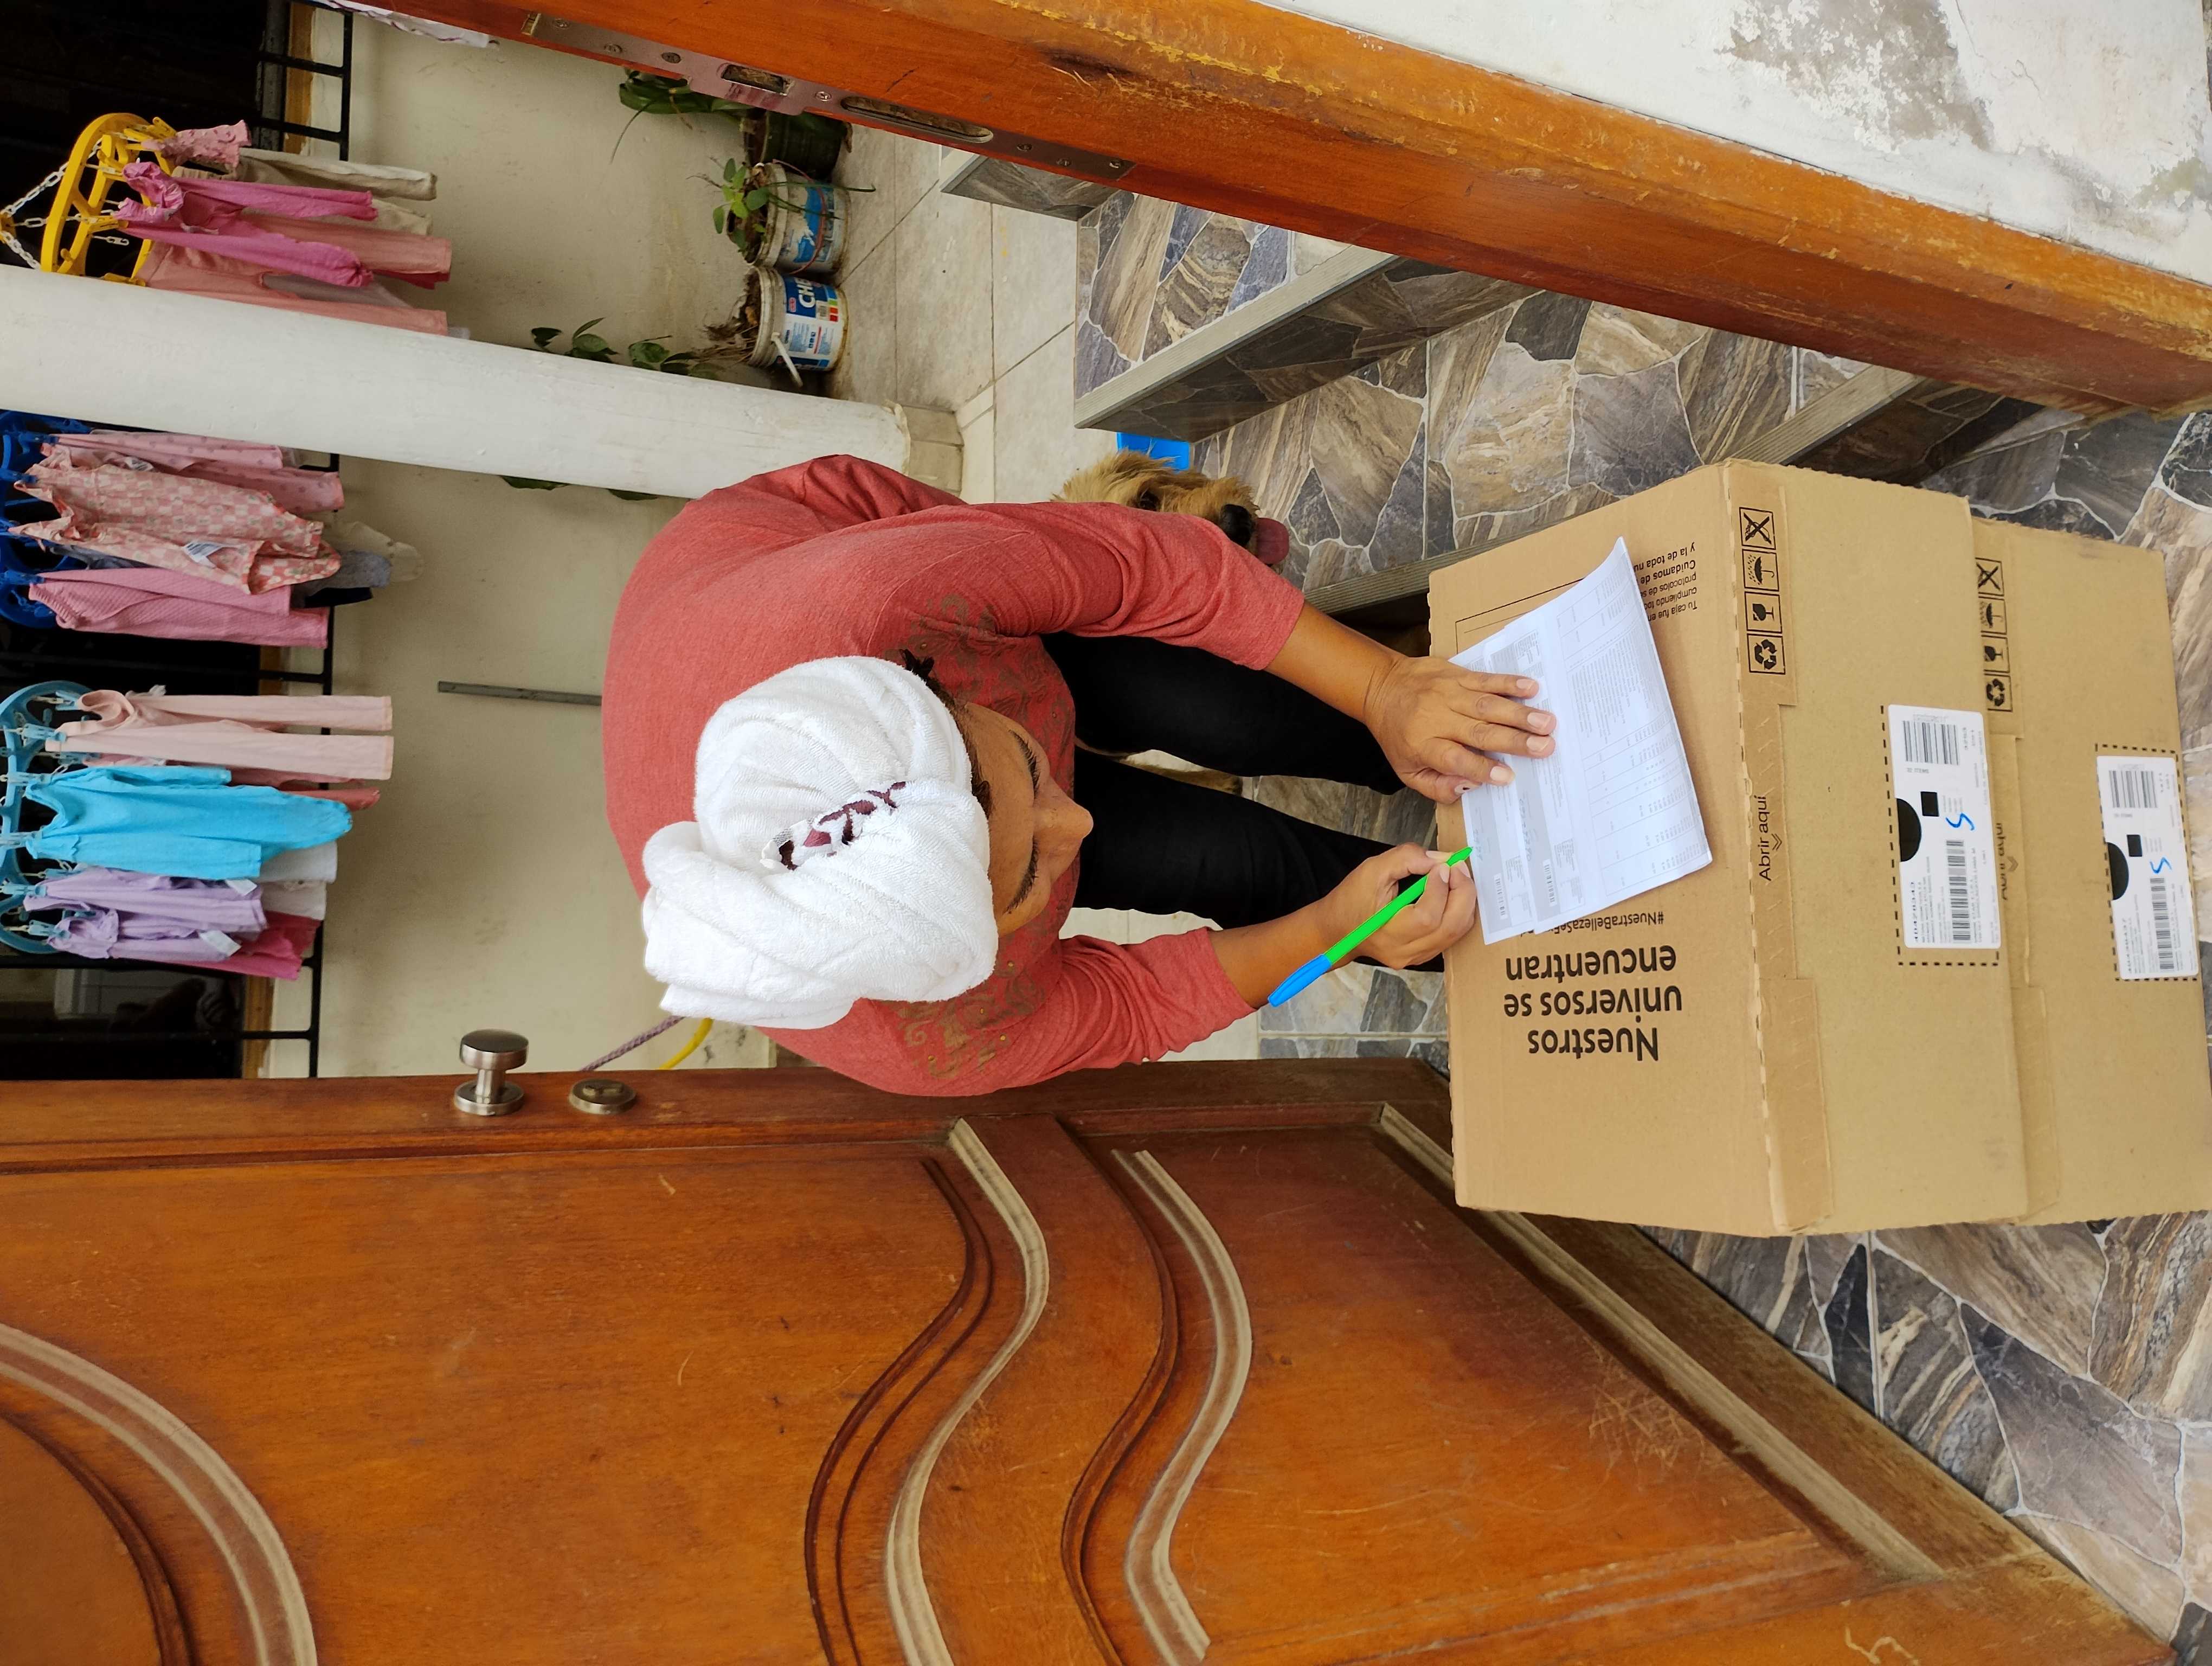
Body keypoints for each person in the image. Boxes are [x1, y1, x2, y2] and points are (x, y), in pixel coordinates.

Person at [601, 455, 1553, 1095]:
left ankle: (1423, 735)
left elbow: (1150, 571)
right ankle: (1520, 906)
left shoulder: (888, 598)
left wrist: (1385, 689)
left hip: (789, 552)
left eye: (1024, 766)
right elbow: (1137, 1005)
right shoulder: (928, 1039)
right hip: (838, 680)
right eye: (1027, 880)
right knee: (1237, 867)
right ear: (958, 947)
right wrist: (1333, 933)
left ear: (926, 683)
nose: (1083, 826)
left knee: (1232, 709)